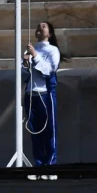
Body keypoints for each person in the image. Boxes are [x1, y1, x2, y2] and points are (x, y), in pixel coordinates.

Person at [23, 20, 62, 180]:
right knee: (35, 131)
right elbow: (22, 73)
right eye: (38, 26)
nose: (40, 27)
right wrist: (25, 63)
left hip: (45, 94)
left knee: (49, 131)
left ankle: (50, 166)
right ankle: (38, 166)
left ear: (50, 34)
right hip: (30, 94)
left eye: (44, 26)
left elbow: (50, 70)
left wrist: (35, 56)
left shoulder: (53, 50)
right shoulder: (30, 49)